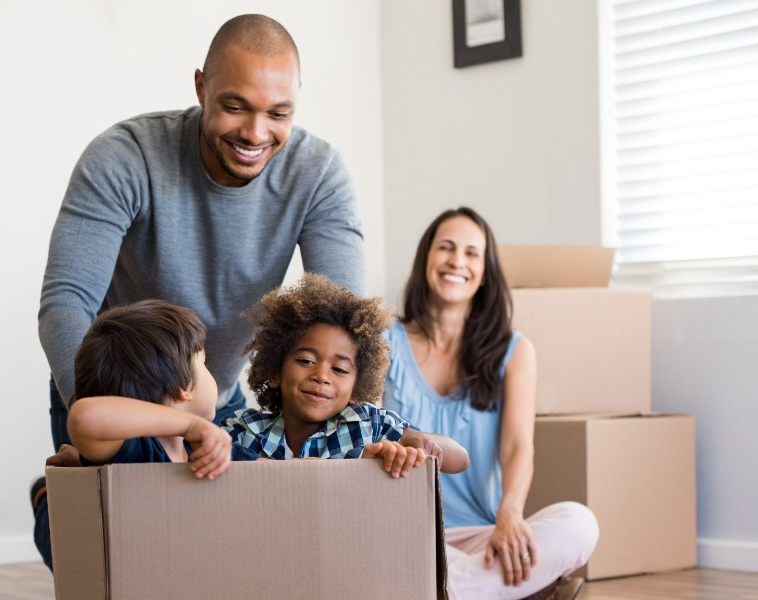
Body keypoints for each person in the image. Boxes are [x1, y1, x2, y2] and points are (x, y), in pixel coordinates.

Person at [38, 13, 366, 452]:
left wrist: (364, 435)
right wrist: (101, 420)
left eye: (278, 113)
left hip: (214, 397)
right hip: (112, 399)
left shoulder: (319, 173)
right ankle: (49, 502)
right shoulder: (125, 156)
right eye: (235, 107)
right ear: (201, 88)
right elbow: (66, 302)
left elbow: (347, 323)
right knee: (85, 520)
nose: (255, 133)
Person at [382, 207, 599, 600]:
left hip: (483, 538)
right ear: (426, 259)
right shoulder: (382, 342)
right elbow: (364, 436)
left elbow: (518, 448)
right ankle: (518, 590)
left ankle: (445, 589)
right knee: (387, 556)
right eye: (445, 248)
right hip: (403, 531)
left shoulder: (515, 352)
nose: (456, 261)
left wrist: (510, 514)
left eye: (471, 253)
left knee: (579, 523)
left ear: (485, 273)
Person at [30, 300, 258, 571]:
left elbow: (269, 477)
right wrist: (189, 425)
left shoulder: (212, 450)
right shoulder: (137, 452)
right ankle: (45, 496)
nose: (212, 373)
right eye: (204, 363)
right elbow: (84, 416)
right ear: (184, 387)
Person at [223, 273, 469, 475]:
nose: (321, 376)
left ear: (357, 387)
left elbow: (461, 459)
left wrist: (417, 440)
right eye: (306, 360)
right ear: (274, 371)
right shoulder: (245, 430)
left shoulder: (369, 425)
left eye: (339, 369)